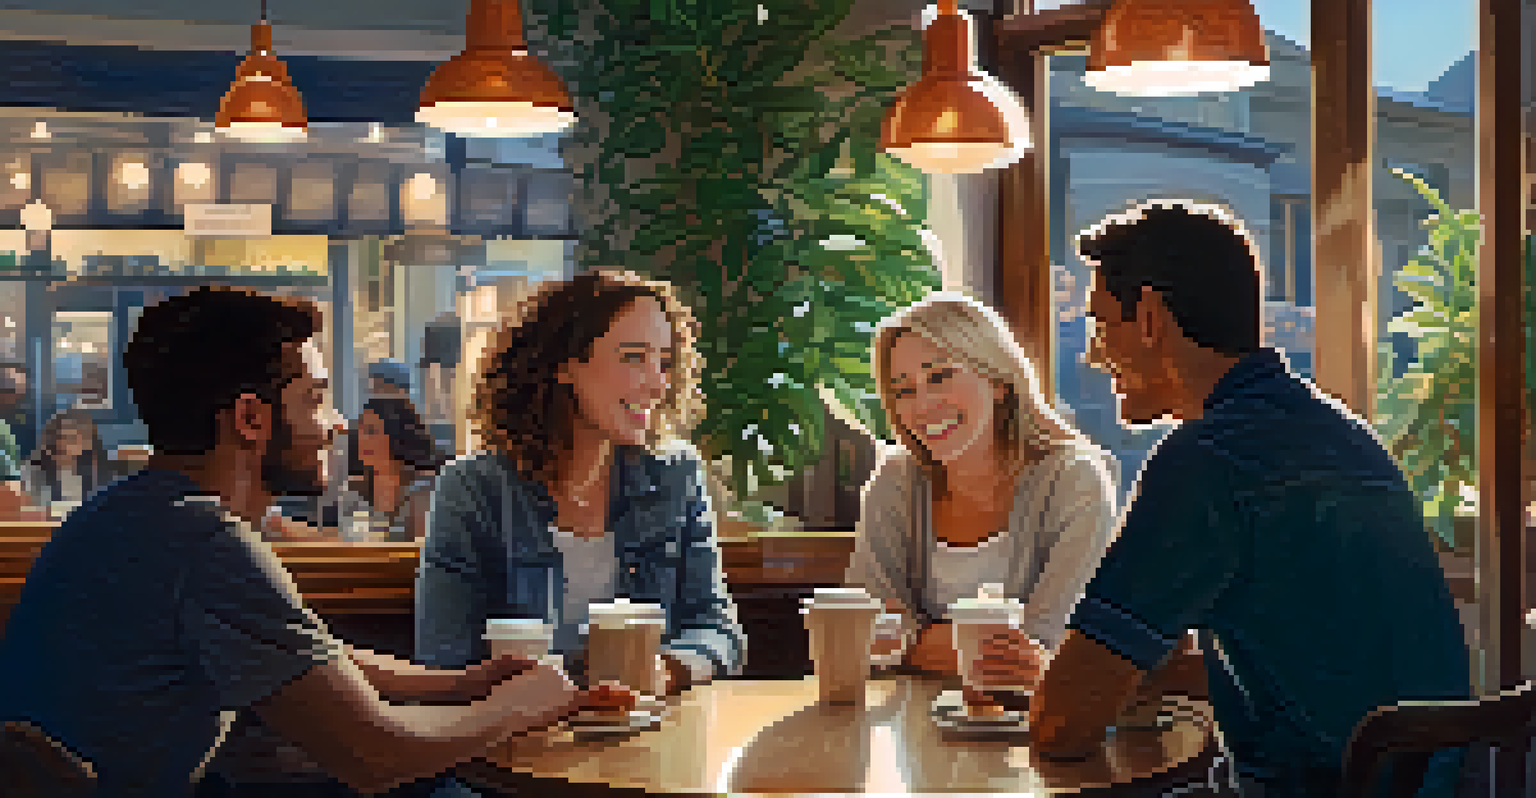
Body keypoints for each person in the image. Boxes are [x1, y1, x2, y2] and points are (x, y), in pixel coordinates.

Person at [0, 286, 630, 797]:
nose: (336, 426)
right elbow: (376, 754)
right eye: (317, 400)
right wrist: (526, 705)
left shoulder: (137, 514)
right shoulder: (203, 540)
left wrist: (467, 682)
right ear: (251, 419)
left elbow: (311, 655)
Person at [1028, 201, 1471, 797]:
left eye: (1101, 324)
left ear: (1153, 317)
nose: (1092, 354)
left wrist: (1081, 681)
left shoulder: (1209, 462)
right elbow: (1309, 660)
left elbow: (1060, 727)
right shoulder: (1337, 433)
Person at [417, 270, 746, 692]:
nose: (657, 383)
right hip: (516, 740)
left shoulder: (675, 475)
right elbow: (442, 660)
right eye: (633, 357)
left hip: (644, 737)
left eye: (664, 362)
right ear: (565, 365)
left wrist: (664, 668)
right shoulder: (472, 490)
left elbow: (718, 630)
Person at [845, 291, 1118, 689]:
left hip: (1034, 724)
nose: (922, 405)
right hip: (912, 725)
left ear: (998, 382)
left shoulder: (1075, 479)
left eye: (939, 377)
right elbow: (863, 626)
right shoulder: (896, 479)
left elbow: (1046, 643)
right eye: (904, 390)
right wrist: (965, 644)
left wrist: (911, 639)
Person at [268, 397, 444, 543]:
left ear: (397, 436)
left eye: (371, 430)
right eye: (360, 430)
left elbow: (422, 555)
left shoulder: (422, 491)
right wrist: (284, 527)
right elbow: (339, 538)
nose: (362, 439)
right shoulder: (354, 490)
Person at [22, 409, 114, 513]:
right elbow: (34, 508)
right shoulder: (33, 469)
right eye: (70, 438)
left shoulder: (96, 471)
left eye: (83, 438)